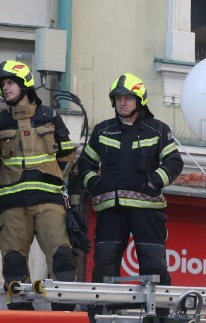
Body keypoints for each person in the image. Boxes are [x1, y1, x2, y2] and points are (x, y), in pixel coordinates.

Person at [0, 61, 77, 310]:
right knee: (13, 264)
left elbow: (67, 157)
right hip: (13, 207)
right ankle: (21, 321)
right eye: (3, 85)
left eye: (11, 83)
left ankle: (64, 316)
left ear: (25, 85)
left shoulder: (50, 116)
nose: (6, 88)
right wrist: (7, 187)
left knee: (62, 258)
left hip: (49, 202)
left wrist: (55, 183)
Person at [77, 73, 184, 285]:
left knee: (153, 264)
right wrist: (95, 185)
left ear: (140, 100)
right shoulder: (103, 130)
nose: (122, 103)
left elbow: (174, 162)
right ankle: (103, 313)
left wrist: (154, 181)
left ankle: (157, 315)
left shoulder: (158, 130)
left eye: (127, 98)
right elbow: (85, 164)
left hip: (147, 211)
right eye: (118, 98)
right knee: (105, 265)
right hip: (110, 211)